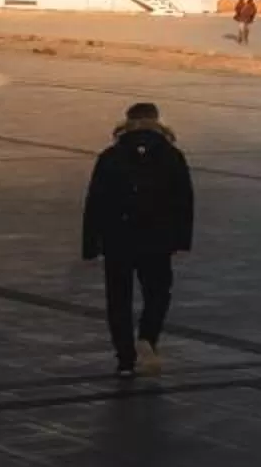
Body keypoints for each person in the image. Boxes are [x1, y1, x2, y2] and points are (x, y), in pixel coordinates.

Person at [81, 100, 195, 377]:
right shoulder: (172, 155)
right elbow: (184, 200)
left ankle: (125, 360)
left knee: (118, 299)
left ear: (127, 122)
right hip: (157, 238)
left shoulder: (111, 156)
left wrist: (91, 244)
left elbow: (95, 201)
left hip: (117, 238)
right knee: (158, 293)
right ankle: (147, 337)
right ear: (157, 121)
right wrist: (181, 239)